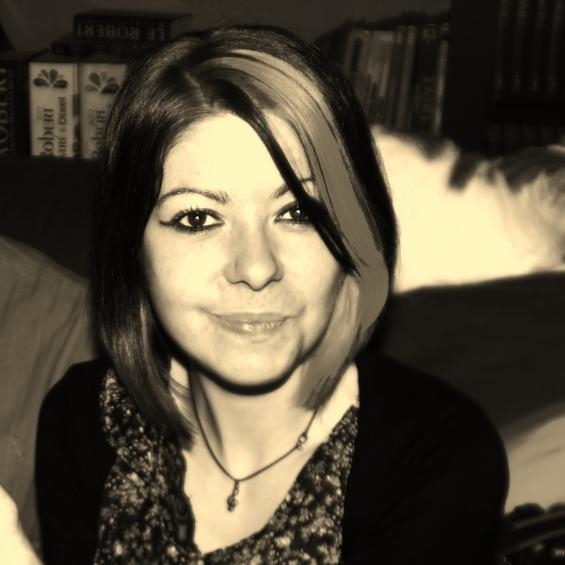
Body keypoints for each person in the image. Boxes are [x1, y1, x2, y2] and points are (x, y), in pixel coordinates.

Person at [34, 25, 508, 565]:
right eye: (197, 218)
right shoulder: (82, 423)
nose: (256, 268)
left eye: (297, 213)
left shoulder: (440, 457)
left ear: (356, 237)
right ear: (131, 249)